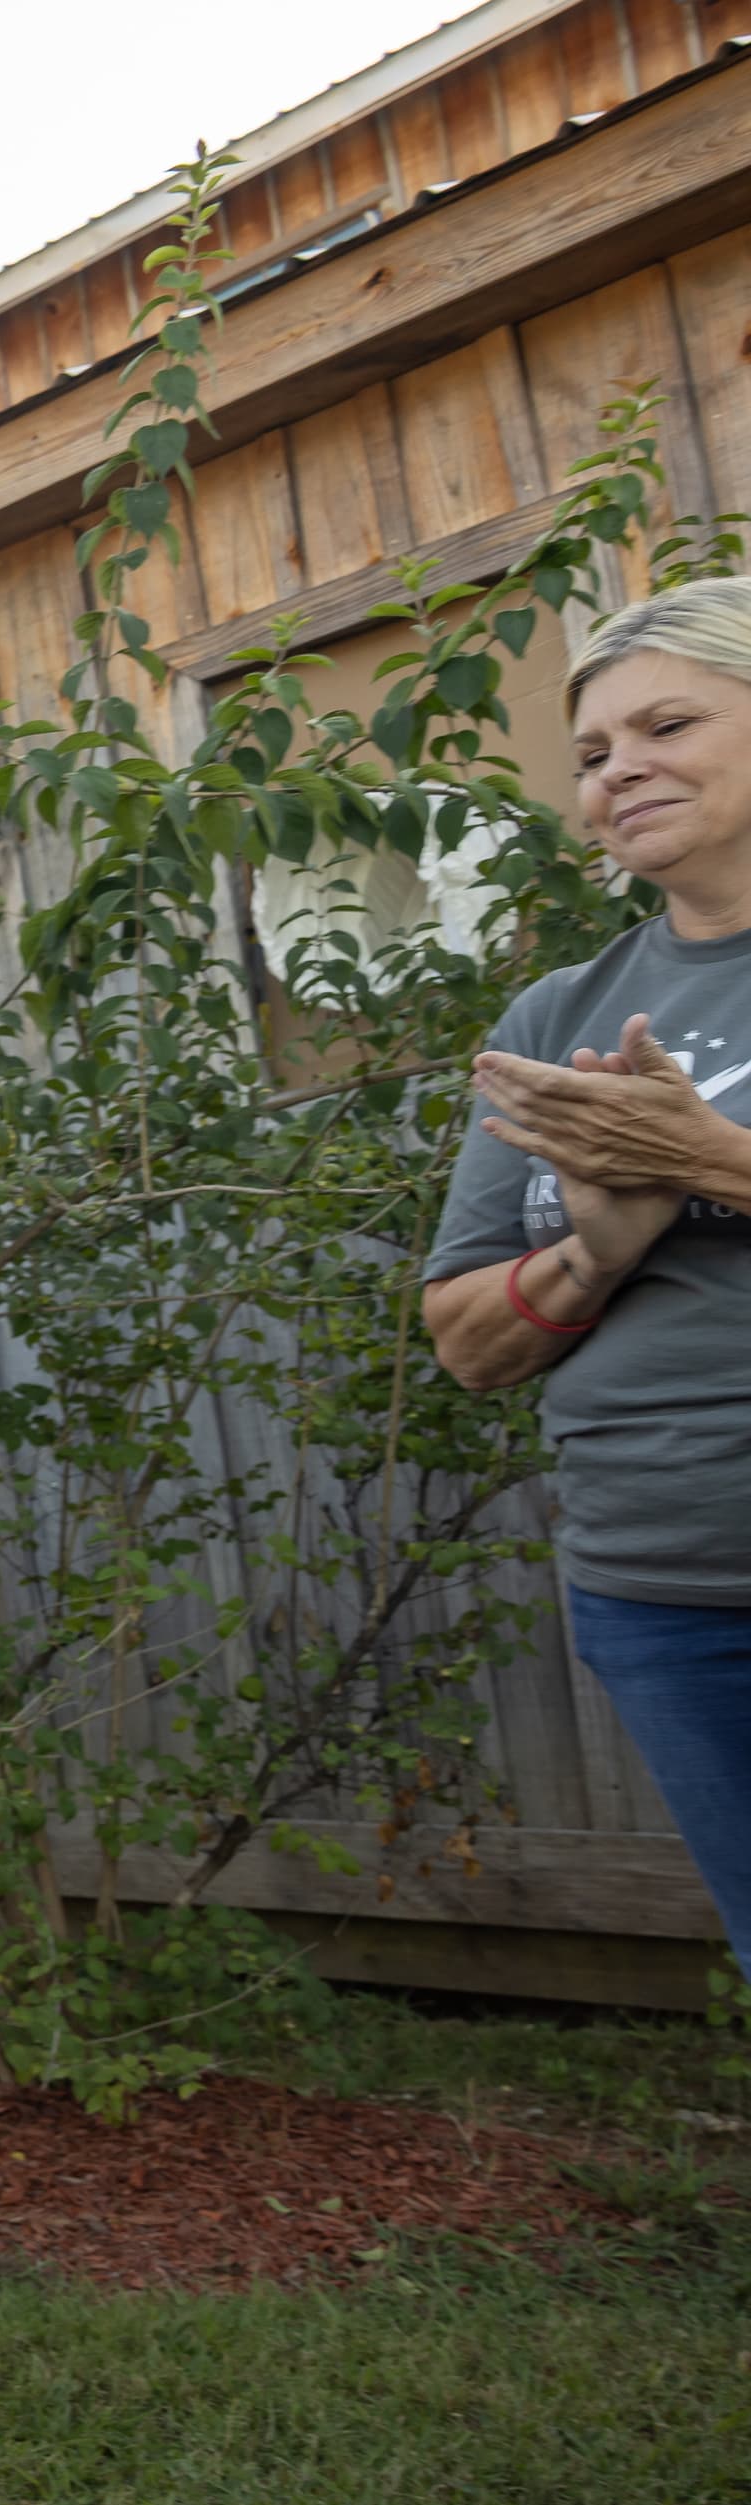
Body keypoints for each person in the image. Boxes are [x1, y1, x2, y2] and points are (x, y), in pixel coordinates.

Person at [427, 576, 751, 1970]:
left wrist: (713, 1159)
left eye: (666, 723)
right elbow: (463, 1336)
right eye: (595, 755)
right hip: (661, 1583)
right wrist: (599, 1245)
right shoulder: (560, 1017)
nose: (622, 771)